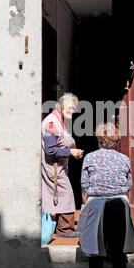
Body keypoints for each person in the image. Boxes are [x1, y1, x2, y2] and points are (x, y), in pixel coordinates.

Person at [78, 123, 134, 268]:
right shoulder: (124, 159)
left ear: (99, 140)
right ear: (116, 141)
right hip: (119, 204)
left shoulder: (90, 158)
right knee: (118, 249)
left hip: (96, 204)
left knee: (96, 248)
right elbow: (128, 184)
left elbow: (85, 184)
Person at [42, 93, 83, 238]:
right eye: (70, 108)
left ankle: (63, 228)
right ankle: (64, 230)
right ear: (60, 107)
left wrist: (72, 151)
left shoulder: (59, 121)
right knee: (66, 194)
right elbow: (50, 149)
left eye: (74, 108)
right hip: (53, 168)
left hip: (58, 167)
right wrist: (70, 151)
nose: (73, 111)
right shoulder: (51, 123)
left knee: (63, 194)